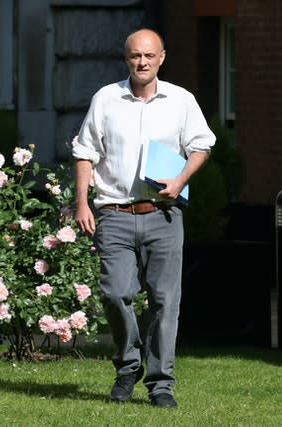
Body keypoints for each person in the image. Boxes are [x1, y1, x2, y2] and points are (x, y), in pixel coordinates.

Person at [72, 28, 216, 409]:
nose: (142, 62)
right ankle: (128, 365)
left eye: (149, 56)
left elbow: (202, 144)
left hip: (163, 215)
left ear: (162, 58)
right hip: (114, 214)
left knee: (165, 301)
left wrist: (181, 179)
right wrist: (82, 203)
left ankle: (161, 384)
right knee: (116, 293)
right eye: (136, 56)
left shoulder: (181, 101)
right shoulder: (106, 99)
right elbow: (85, 152)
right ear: (126, 58)